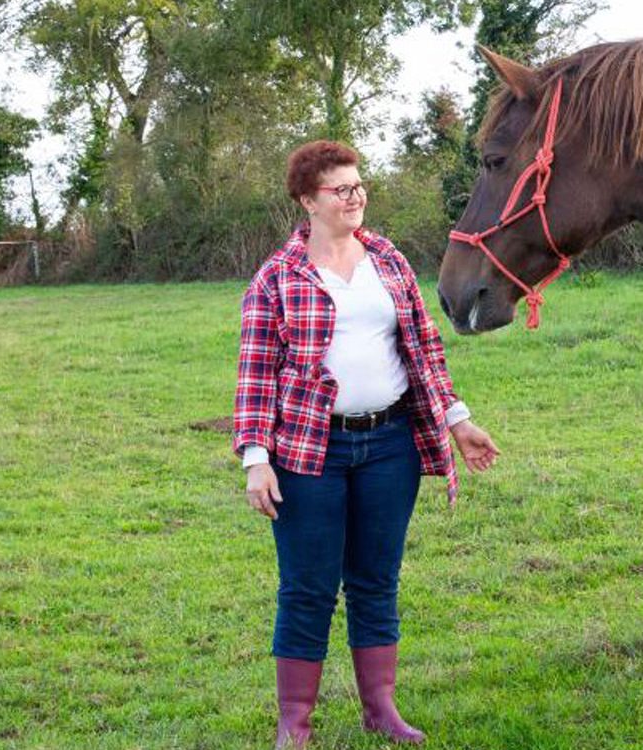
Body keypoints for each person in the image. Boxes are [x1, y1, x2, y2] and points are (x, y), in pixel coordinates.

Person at [234, 140, 500, 748]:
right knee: (307, 588)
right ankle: (294, 722)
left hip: (389, 446)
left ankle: (380, 710)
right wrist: (256, 459)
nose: (355, 198)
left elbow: (423, 349)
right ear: (309, 201)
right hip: (309, 452)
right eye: (341, 189)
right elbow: (255, 374)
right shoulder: (277, 277)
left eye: (359, 186)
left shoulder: (388, 260)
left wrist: (458, 421)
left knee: (376, 581)